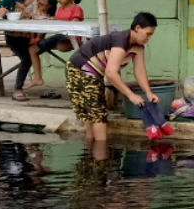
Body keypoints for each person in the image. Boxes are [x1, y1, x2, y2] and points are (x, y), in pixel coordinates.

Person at [65, 13, 166, 147]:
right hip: (80, 68)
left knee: (92, 113)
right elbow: (111, 73)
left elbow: (139, 71)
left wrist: (148, 93)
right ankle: (100, 155)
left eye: (151, 35)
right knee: (97, 114)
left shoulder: (138, 46)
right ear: (137, 28)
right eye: (148, 34)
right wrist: (131, 95)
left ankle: (90, 154)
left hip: (92, 73)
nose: (149, 38)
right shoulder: (122, 40)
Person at [26, 0, 83, 92]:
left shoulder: (77, 9)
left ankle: (77, 78)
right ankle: (38, 78)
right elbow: (57, 23)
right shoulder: (60, 9)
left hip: (72, 38)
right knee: (32, 49)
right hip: (58, 37)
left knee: (61, 46)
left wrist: (56, 20)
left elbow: (74, 24)